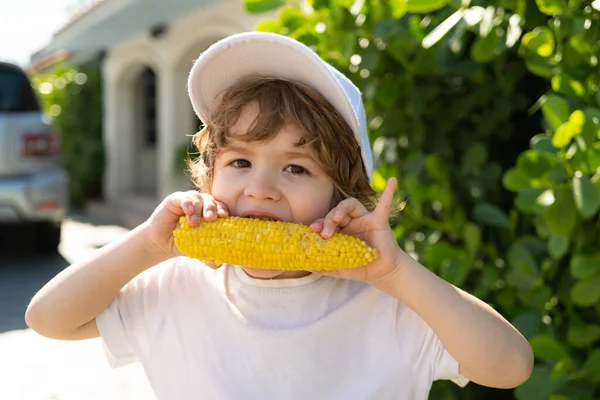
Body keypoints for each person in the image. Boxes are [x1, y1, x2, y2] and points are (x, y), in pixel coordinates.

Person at [25, 32, 533, 399]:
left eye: (296, 167)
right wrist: (147, 245)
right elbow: (48, 320)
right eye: (240, 161)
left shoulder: (389, 304)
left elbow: (509, 367)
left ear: (343, 199)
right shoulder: (173, 286)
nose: (261, 189)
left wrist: (399, 273)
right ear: (208, 179)